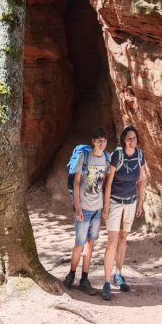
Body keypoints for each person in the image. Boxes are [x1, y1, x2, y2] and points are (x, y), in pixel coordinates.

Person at [101, 124, 146, 301]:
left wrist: (140, 203)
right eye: (129, 138)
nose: (132, 141)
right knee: (112, 241)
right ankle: (106, 282)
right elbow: (109, 182)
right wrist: (106, 205)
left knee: (123, 238)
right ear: (124, 139)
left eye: (134, 138)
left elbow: (141, 181)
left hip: (131, 202)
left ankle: (118, 275)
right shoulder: (117, 155)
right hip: (115, 203)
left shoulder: (140, 156)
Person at [65, 127, 109, 296]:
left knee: (91, 243)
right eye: (99, 141)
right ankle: (71, 275)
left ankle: (84, 279)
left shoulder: (106, 157)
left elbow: (104, 184)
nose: (102, 144)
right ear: (93, 142)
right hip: (84, 209)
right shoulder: (85, 157)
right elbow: (77, 183)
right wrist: (77, 207)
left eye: (104, 141)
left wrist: (105, 206)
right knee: (79, 244)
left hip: (97, 209)